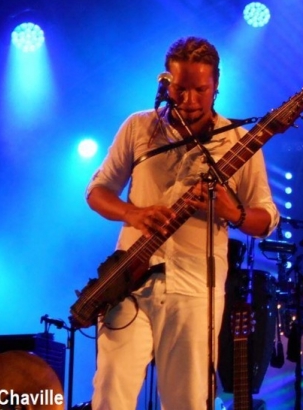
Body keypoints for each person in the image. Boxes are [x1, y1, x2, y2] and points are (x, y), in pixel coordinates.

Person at [86, 36, 280, 410]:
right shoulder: (139, 127)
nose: (189, 99)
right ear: (166, 83)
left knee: (188, 401)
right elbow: (97, 192)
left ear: (216, 85)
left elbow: (266, 218)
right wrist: (133, 213)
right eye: (180, 88)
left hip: (195, 290)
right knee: (110, 394)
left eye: (200, 90)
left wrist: (232, 212)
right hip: (129, 281)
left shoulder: (238, 141)